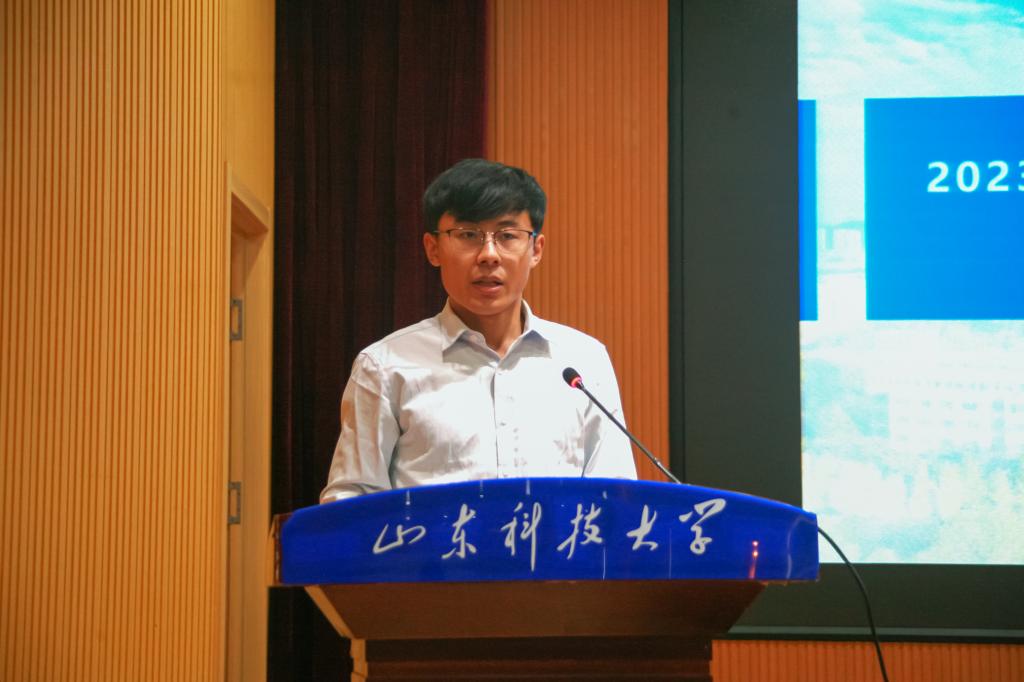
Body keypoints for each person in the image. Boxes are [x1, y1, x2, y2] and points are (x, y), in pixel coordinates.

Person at [320, 159, 637, 502]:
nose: (488, 255)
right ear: (433, 248)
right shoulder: (384, 366)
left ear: (536, 249)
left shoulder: (583, 361)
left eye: (507, 236)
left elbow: (616, 496)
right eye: (468, 235)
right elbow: (350, 500)